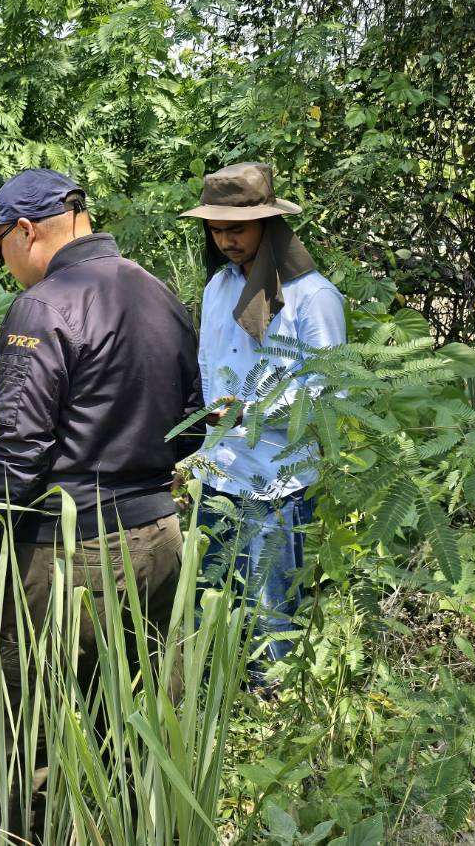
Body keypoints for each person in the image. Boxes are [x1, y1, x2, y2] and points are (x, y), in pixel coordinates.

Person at [0, 168, 203, 836]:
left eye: (1, 247)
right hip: (160, 538)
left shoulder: (41, 307)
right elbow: (193, 421)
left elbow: (17, 453)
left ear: (25, 231)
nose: (6, 264)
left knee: (19, 728)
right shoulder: (158, 291)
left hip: (70, 552)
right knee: (139, 728)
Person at [180, 162, 345, 675]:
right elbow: (209, 369)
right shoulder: (218, 287)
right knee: (210, 607)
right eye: (216, 230)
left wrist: (251, 414)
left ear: (267, 224)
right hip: (219, 474)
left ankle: (273, 708)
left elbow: (328, 392)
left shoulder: (312, 296)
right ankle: (217, 706)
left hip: (278, 482)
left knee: (271, 621)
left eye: (237, 229)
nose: (225, 240)